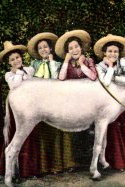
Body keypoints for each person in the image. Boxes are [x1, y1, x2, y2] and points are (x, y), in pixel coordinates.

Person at [27, 32, 76, 174]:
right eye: (40, 48)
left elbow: (57, 80)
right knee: (44, 131)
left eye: (45, 47)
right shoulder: (34, 65)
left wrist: (51, 63)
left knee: (59, 130)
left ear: (50, 49)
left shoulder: (57, 64)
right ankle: (44, 166)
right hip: (41, 101)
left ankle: (63, 164)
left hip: (55, 100)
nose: (43, 50)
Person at [94, 34, 125, 171]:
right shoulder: (99, 66)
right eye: (110, 51)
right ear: (104, 53)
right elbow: (105, 83)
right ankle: (113, 162)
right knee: (111, 130)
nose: (113, 54)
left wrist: (115, 77)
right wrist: (109, 68)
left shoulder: (123, 62)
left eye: (115, 51)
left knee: (123, 127)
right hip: (109, 103)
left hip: (123, 101)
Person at [0, 41, 42, 177]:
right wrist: (18, 73)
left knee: (30, 135)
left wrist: (24, 73)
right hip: (17, 106)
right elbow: (15, 86)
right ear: (9, 63)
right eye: (12, 60)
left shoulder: (30, 70)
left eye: (17, 57)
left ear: (21, 57)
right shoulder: (9, 75)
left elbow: (32, 84)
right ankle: (14, 170)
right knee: (17, 134)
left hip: (30, 105)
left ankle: (29, 169)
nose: (16, 61)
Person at [55, 30, 97, 166]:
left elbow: (93, 76)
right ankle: (78, 160)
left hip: (88, 99)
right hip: (73, 100)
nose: (74, 50)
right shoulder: (67, 64)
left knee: (91, 129)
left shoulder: (88, 60)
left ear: (81, 47)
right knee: (75, 130)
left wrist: (82, 64)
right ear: (68, 51)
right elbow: (61, 78)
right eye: (71, 48)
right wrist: (66, 61)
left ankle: (91, 159)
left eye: (76, 46)